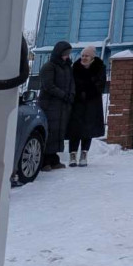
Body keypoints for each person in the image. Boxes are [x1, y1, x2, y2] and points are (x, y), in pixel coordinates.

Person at [66, 45, 106, 167]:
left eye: (86, 56)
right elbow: (71, 83)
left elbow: (100, 85)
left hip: (92, 103)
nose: (84, 58)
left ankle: (84, 154)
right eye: (82, 55)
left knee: (88, 129)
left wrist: (88, 91)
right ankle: (72, 155)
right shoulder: (75, 67)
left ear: (92, 57)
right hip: (77, 102)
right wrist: (78, 93)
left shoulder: (99, 68)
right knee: (75, 129)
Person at [38, 40, 75, 170]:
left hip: (62, 106)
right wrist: (63, 95)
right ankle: (44, 161)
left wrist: (71, 94)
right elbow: (48, 86)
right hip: (49, 104)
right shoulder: (49, 67)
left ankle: (54, 158)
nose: (67, 56)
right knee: (50, 131)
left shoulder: (67, 67)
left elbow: (71, 83)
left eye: (68, 54)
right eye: (66, 54)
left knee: (59, 131)